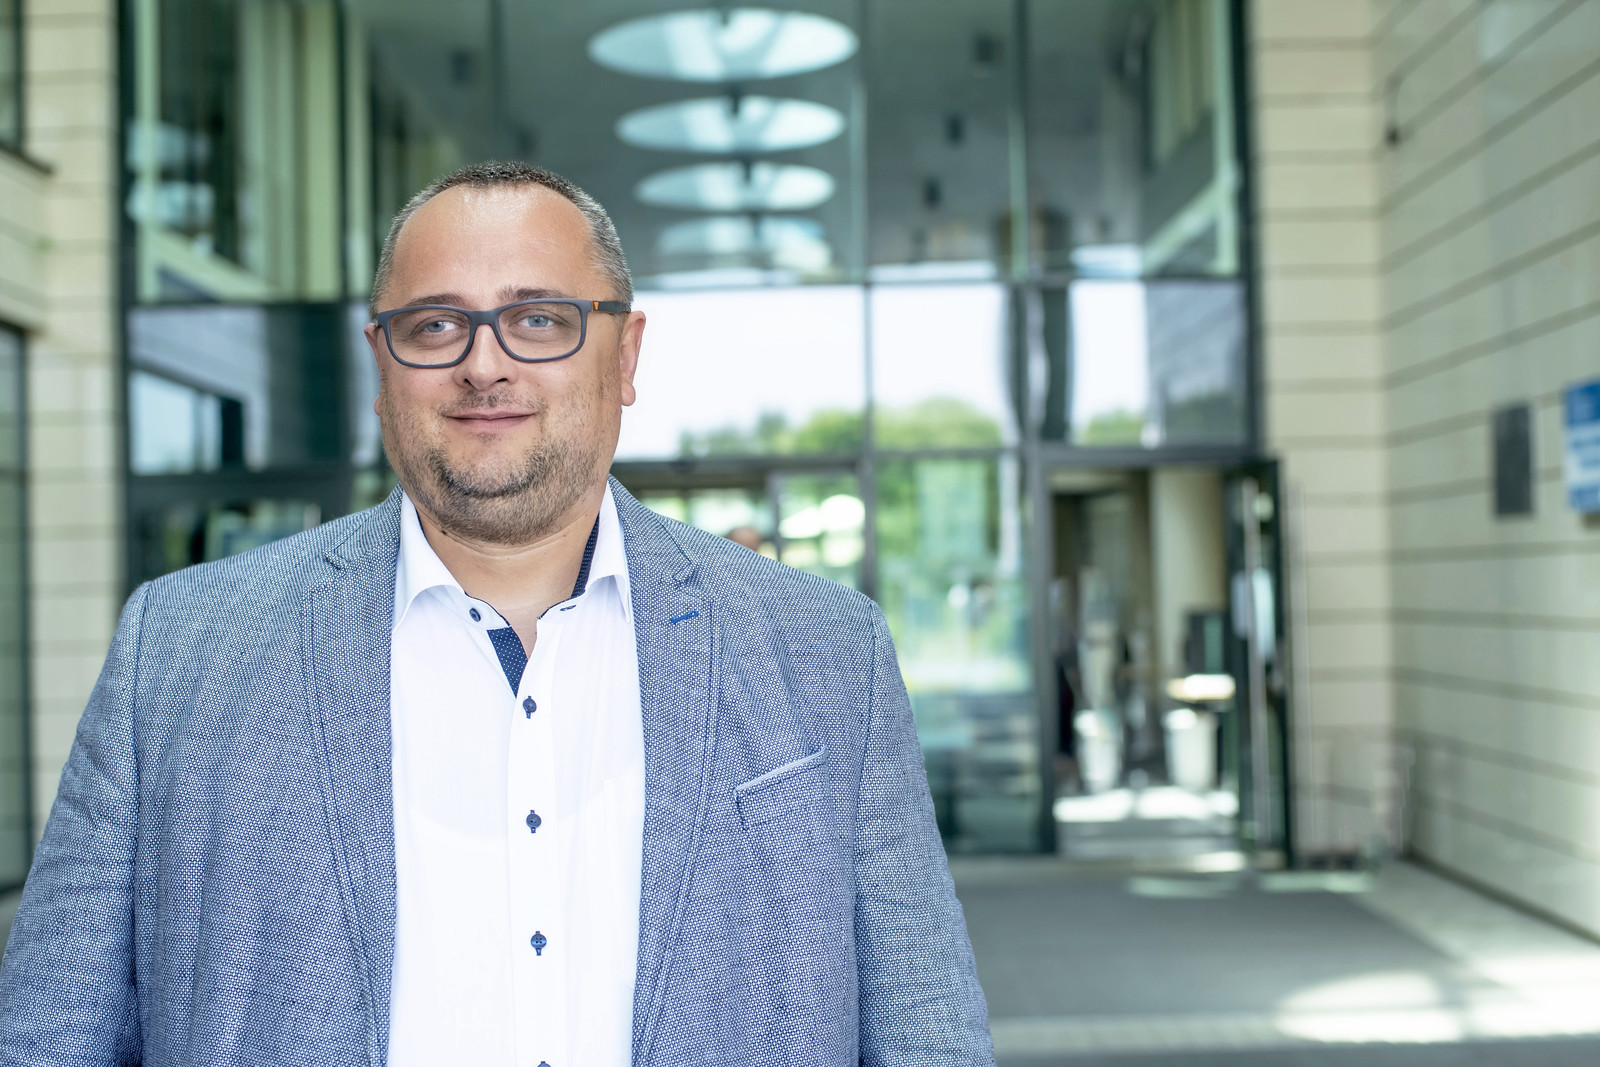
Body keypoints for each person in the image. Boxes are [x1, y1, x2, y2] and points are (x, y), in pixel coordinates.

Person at [0, 162, 993, 1066]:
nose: (484, 364)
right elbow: (48, 1035)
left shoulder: (827, 651)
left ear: (625, 352)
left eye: (540, 319)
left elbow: (927, 1033)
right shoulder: (178, 651)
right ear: (381, 363)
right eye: (435, 325)